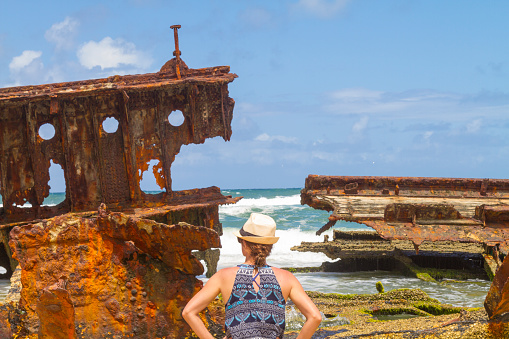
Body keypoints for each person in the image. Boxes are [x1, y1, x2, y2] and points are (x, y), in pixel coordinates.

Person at [183, 213, 322, 339]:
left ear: (244, 243)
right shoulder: (287, 278)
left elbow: (188, 312)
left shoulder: (223, 276)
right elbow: (315, 317)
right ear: (269, 246)